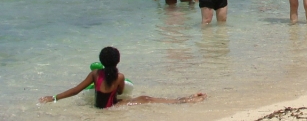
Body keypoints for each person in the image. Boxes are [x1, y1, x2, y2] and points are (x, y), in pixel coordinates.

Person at [38, 47, 206, 108]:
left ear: (101, 61)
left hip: (100, 108)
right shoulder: (119, 77)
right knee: (148, 99)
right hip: (112, 108)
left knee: (146, 99)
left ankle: (188, 99)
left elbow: (75, 90)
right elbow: (119, 94)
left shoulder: (95, 74)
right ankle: (188, 99)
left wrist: (52, 98)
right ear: (118, 61)